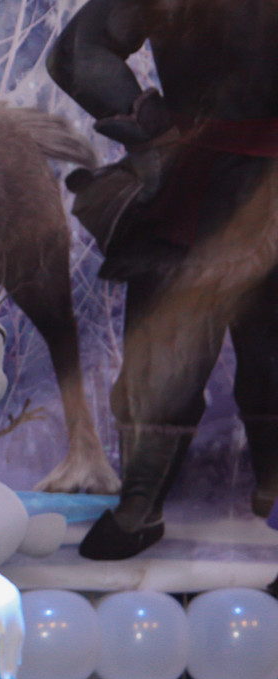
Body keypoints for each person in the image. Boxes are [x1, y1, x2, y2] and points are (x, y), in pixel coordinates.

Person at [47, 0, 278, 560]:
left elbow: (77, 53)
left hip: (212, 177)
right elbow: (78, 52)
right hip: (194, 181)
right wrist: (152, 130)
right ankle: (141, 504)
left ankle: (251, 496)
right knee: (164, 355)